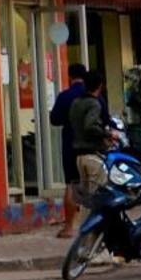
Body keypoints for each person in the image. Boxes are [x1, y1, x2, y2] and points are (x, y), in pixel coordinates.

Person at [50, 61, 91, 236]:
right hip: (90, 146)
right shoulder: (91, 95)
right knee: (92, 184)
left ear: (70, 77)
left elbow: (55, 119)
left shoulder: (64, 96)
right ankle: (90, 227)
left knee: (71, 185)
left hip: (70, 144)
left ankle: (69, 227)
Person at [69, 70, 113, 202]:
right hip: (93, 155)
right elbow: (90, 126)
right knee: (97, 197)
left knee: (86, 198)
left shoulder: (76, 103)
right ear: (100, 86)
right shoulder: (94, 103)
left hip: (79, 155)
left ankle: (84, 222)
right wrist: (108, 134)